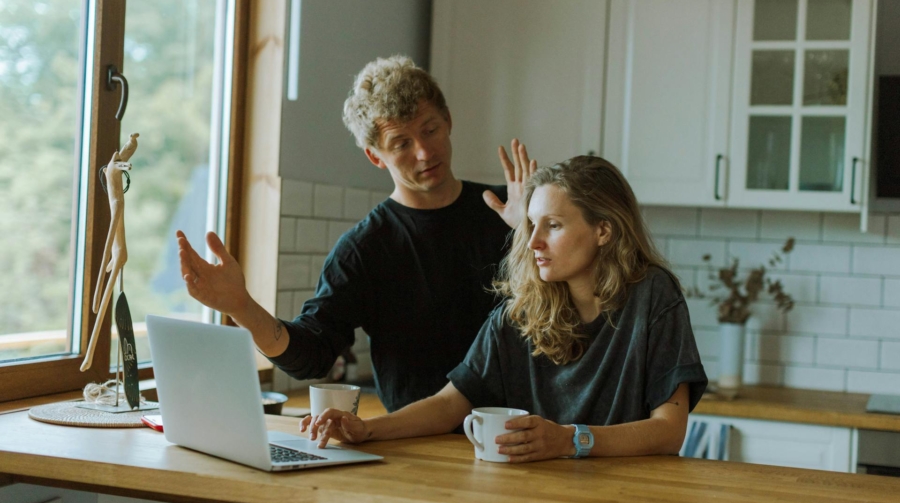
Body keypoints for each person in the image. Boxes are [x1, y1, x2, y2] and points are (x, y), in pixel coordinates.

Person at [176, 55, 537, 412]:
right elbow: (312, 357)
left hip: (527, 432)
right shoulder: (365, 249)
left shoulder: (510, 211)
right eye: (401, 144)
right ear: (375, 157)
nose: (425, 152)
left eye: (430, 129)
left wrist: (530, 229)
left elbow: (573, 310)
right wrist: (242, 307)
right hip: (420, 445)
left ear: (448, 121)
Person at [302, 155, 709, 462]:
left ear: (603, 230)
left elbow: (668, 432)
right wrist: (366, 430)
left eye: (553, 225)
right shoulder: (522, 309)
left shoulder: (653, 295)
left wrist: (569, 439)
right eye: (531, 225)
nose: (532, 243)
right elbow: (450, 403)